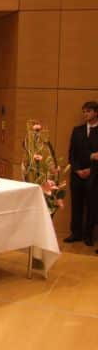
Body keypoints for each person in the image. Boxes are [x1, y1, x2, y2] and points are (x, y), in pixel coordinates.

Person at [66, 101, 98, 245]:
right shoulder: (77, 130)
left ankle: (88, 235)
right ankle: (76, 233)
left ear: (96, 113)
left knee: (92, 204)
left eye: (88, 111)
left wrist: (90, 169)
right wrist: (78, 170)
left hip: (95, 174)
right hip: (77, 173)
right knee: (76, 204)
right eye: (84, 111)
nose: (85, 114)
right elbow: (72, 154)